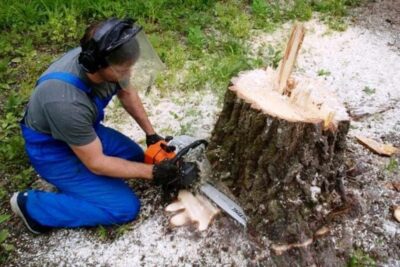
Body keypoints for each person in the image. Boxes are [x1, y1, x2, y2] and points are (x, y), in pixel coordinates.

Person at [10, 18, 177, 234]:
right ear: (95, 65)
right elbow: (97, 163)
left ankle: (85, 185)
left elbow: (126, 91)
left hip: (83, 132)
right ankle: (33, 207)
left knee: (136, 156)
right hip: (53, 152)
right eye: (123, 70)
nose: (128, 75)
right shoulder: (64, 101)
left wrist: (152, 135)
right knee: (124, 207)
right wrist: (153, 172)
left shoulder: (110, 58)